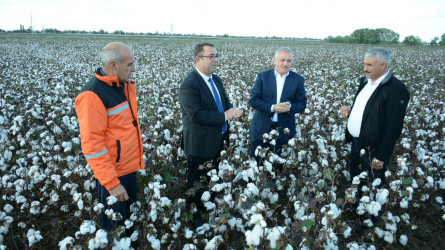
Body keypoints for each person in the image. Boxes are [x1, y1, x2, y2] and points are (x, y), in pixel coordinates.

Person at [75, 42, 144, 238]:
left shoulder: (120, 86)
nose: (134, 69)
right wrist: (112, 183)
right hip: (113, 176)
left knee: (128, 226)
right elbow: (92, 146)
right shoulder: (92, 95)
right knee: (114, 229)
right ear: (113, 65)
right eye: (130, 64)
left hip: (128, 169)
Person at [179, 42, 242, 226]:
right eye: (211, 56)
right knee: (197, 185)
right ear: (198, 59)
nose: (216, 60)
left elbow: (223, 103)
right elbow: (195, 114)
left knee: (213, 180)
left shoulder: (216, 80)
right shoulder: (189, 84)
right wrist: (225, 116)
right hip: (200, 145)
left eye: (217, 56)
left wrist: (232, 112)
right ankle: (194, 220)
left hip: (219, 140)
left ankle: (209, 211)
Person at [340, 47, 410, 196]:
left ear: (383, 65)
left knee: (370, 185)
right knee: (356, 178)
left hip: (374, 149)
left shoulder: (396, 89)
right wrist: (351, 110)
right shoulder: (366, 82)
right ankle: (355, 210)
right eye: (365, 64)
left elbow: (394, 127)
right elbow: (369, 107)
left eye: (369, 65)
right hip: (357, 142)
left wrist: (381, 156)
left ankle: (369, 216)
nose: (365, 68)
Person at [249, 47, 307, 169]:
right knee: (256, 167)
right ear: (274, 60)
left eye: (289, 61)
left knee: (277, 169)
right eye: (282, 60)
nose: (285, 64)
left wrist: (290, 106)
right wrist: (272, 107)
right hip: (261, 129)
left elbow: (302, 104)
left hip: (283, 132)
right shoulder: (263, 76)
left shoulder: (298, 80)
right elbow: (253, 100)